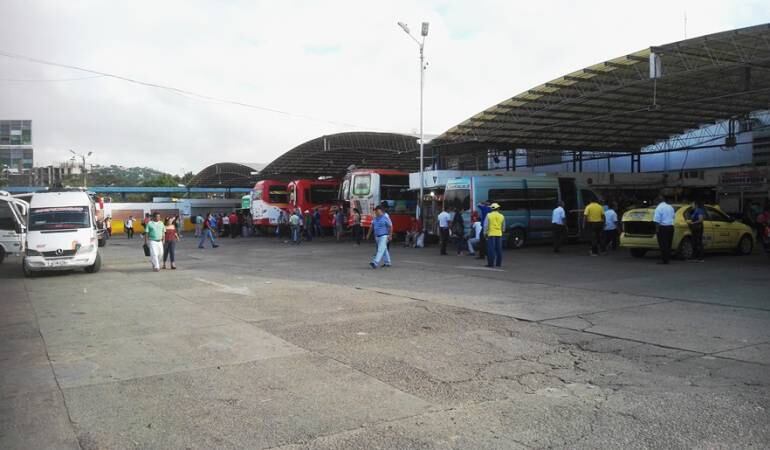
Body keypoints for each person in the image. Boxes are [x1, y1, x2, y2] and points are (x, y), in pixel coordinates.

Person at [653, 195, 676, 264]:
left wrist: (657, 230)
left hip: (663, 228)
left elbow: (657, 220)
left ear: (658, 201)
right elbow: (673, 217)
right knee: (668, 244)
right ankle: (667, 259)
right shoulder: (670, 207)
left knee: (663, 244)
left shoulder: (659, 208)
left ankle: (664, 260)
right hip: (671, 227)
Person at [484, 203, 505, 267]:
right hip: (499, 234)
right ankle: (498, 264)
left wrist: (485, 233)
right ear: (498, 208)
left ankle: (491, 263)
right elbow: (503, 226)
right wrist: (502, 232)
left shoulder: (488, 215)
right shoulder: (502, 216)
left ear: (491, 209)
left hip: (491, 234)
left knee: (491, 250)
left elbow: (486, 226)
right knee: (499, 249)